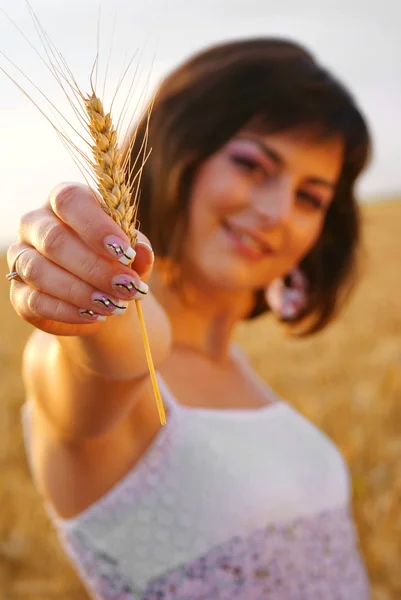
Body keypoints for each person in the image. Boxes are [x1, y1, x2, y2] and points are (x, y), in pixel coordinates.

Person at [7, 38, 371, 599]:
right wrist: (97, 282)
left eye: (310, 198)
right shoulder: (122, 365)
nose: (276, 212)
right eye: (252, 165)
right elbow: (117, 348)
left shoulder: (242, 370)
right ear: (181, 150)